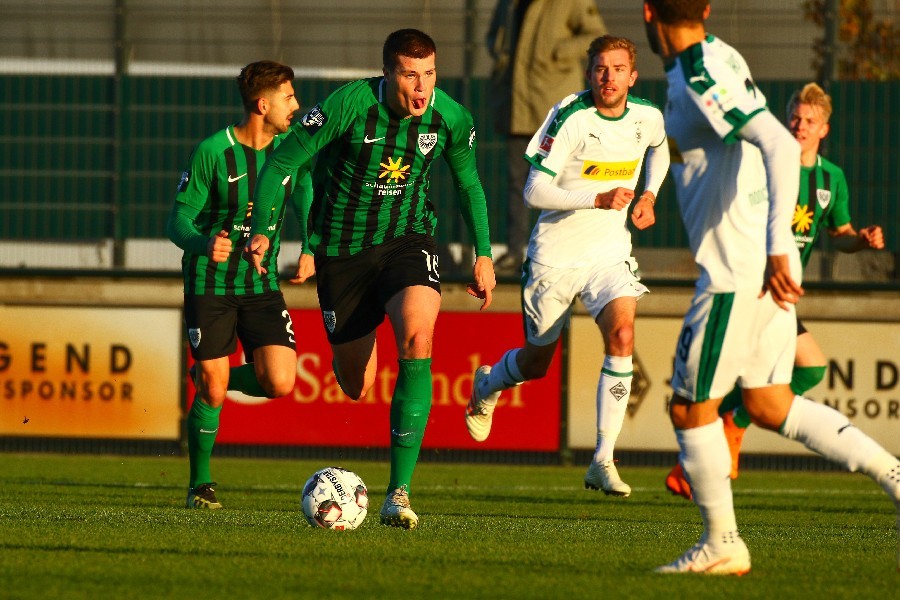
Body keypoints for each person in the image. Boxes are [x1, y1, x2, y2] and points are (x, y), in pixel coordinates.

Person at [643, 0, 900, 575]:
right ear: (706, 9)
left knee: (689, 410)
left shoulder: (701, 72)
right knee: (768, 403)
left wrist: (779, 243)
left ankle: (722, 544)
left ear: (648, 11)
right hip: (756, 270)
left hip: (738, 274)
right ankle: (895, 475)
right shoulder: (721, 56)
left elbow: (780, 145)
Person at [244, 29, 497, 530]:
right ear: (387, 73)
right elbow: (282, 162)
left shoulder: (449, 116)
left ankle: (398, 493)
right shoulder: (345, 107)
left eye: (429, 74)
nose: (421, 88)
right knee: (356, 385)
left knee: (419, 338)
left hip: (409, 240)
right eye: (409, 75)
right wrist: (262, 233)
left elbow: (469, 183)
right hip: (343, 255)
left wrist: (483, 254)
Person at [466, 35, 670, 497]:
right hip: (555, 257)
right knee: (537, 362)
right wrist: (597, 197)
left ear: (633, 76)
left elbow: (660, 147)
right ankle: (489, 384)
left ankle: (602, 459)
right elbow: (533, 191)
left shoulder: (646, 117)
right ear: (589, 73)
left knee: (622, 336)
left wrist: (650, 195)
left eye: (618, 68)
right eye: (601, 68)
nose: (609, 77)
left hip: (609, 255)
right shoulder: (571, 117)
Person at [663, 82, 887, 501]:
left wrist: (860, 239)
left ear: (824, 128)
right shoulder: (764, 159)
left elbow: (837, 232)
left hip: (781, 288)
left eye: (810, 121)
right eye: (796, 118)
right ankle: (723, 435)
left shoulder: (830, 177)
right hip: (754, 281)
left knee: (791, 377)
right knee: (794, 374)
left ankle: (717, 439)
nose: (800, 126)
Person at [166, 61, 305, 509]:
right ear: (263, 105)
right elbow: (178, 220)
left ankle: (213, 380)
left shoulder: (290, 149)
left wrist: (311, 247)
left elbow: (305, 195)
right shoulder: (212, 151)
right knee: (213, 388)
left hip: (260, 284)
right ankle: (199, 486)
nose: (296, 106)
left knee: (280, 382)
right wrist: (203, 243)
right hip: (210, 282)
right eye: (288, 97)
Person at [487, 0, 607, 274]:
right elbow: (494, 34)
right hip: (515, 103)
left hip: (553, 102)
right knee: (517, 182)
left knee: (564, 180)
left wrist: (559, 51)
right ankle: (516, 251)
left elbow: (595, 35)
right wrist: (500, 53)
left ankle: (566, 253)